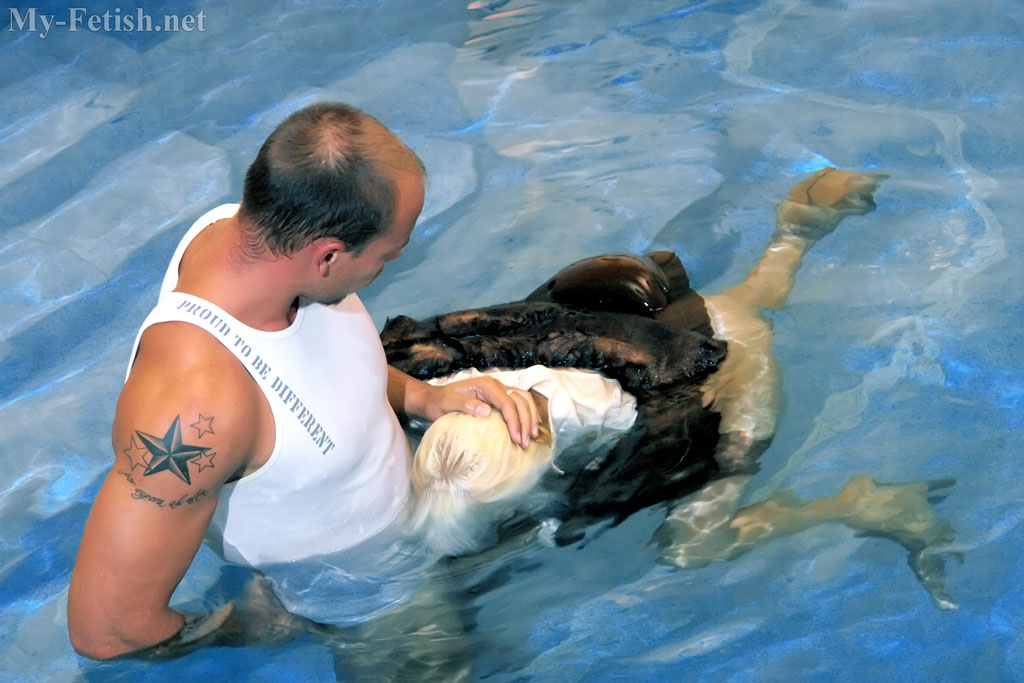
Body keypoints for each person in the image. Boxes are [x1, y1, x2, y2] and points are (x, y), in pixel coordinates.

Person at [66, 102, 541, 660]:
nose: (386, 267)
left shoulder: (251, 235)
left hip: (406, 508)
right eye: (387, 256)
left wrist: (423, 398)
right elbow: (109, 630)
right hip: (366, 600)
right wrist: (248, 624)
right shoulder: (196, 412)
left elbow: (309, 367)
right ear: (328, 256)